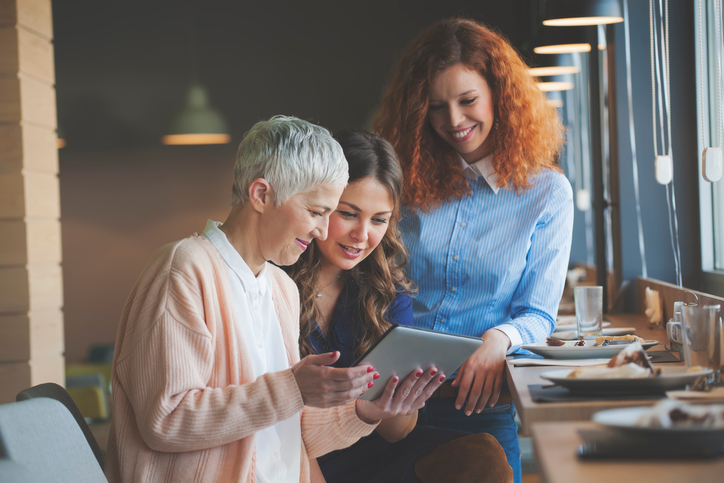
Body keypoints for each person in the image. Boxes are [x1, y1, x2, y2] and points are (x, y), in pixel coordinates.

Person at [106, 116, 428, 483]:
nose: (323, 230)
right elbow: (164, 420)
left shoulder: (280, 288)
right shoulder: (183, 269)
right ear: (261, 194)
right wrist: (291, 387)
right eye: (316, 212)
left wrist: (365, 412)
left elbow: (287, 430)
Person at [374, 18, 575, 483]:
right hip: (389, 407)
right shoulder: (402, 183)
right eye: (437, 106)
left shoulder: (547, 192)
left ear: (499, 95)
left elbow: (539, 314)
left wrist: (499, 338)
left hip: (479, 408)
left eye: (468, 101)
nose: (454, 121)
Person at [287, 128, 514, 483]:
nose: (362, 236)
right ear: (321, 203)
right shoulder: (271, 284)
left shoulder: (387, 291)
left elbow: (397, 433)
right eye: (348, 214)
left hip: (376, 451)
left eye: (379, 220)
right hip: (295, 452)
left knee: (482, 454)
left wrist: (398, 404)